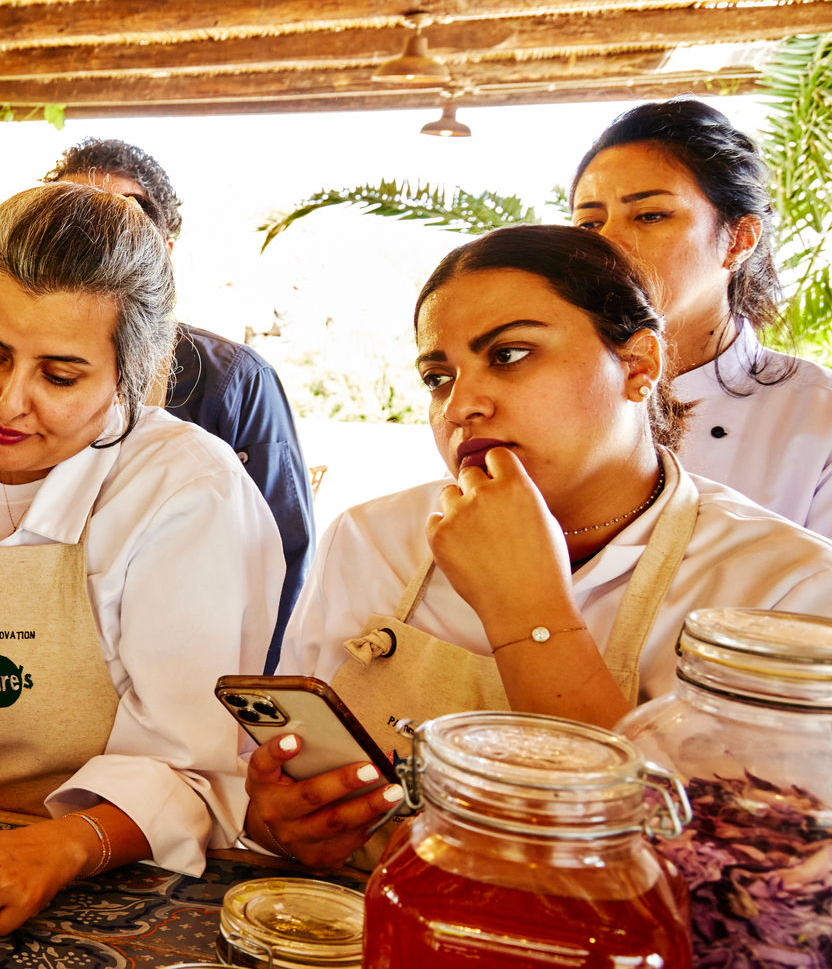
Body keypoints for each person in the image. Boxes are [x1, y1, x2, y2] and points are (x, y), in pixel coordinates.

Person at [247, 225, 832, 871]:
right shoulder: (371, 540)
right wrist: (283, 820)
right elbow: (282, 794)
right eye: (438, 378)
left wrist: (527, 610)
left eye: (509, 355)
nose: (460, 406)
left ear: (638, 366)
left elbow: (718, 886)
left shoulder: (784, 592)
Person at [0, 183, 283, 934]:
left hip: (124, 878)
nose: (7, 400)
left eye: (59, 376)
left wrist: (62, 846)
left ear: (129, 375)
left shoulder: (186, 493)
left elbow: (195, 760)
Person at [45, 138, 314, 671]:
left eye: (120, 220)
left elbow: (283, 550)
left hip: (192, 667)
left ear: (163, 250)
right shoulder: (9, 381)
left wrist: (256, 699)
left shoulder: (235, 380)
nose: (90, 241)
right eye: (68, 219)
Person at [573, 99, 832, 536]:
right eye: (589, 225)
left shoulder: (816, 416)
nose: (610, 243)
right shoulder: (549, 392)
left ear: (739, 239)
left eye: (650, 215)